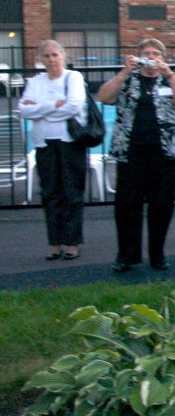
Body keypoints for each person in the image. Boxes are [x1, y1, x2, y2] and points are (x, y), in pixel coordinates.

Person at [97, 38, 175, 272]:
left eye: (155, 53)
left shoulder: (170, 79)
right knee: (127, 205)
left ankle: (157, 254)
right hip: (131, 150)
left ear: (163, 57)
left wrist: (169, 74)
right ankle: (127, 255)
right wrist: (124, 72)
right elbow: (105, 97)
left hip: (163, 151)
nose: (150, 57)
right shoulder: (128, 79)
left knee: (162, 204)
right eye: (146, 53)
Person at [18, 40, 87, 261]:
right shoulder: (35, 82)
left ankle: (72, 243)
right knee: (50, 194)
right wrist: (51, 106)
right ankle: (55, 243)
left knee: (72, 193)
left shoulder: (73, 78)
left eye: (55, 55)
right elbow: (23, 110)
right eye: (46, 56)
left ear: (63, 56)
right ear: (41, 59)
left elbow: (74, 105)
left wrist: (40, 109)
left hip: (69, 143)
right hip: (44, 144)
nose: (51, 60)